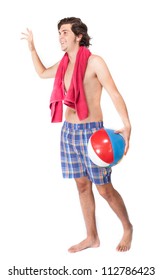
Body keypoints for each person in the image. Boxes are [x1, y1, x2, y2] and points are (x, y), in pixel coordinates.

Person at [21, 17, 133, 253]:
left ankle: (127, 228)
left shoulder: (95, 62)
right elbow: (41, 73)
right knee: (82, 186)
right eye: (59, 33)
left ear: (78, 36)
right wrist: (32, 48)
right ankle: (92, 237)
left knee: (104, 189)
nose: (60, 37)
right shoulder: (64, 64)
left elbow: (113, 93)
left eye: (64, 32)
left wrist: (127, 125)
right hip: (69, 132)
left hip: (92, 134)